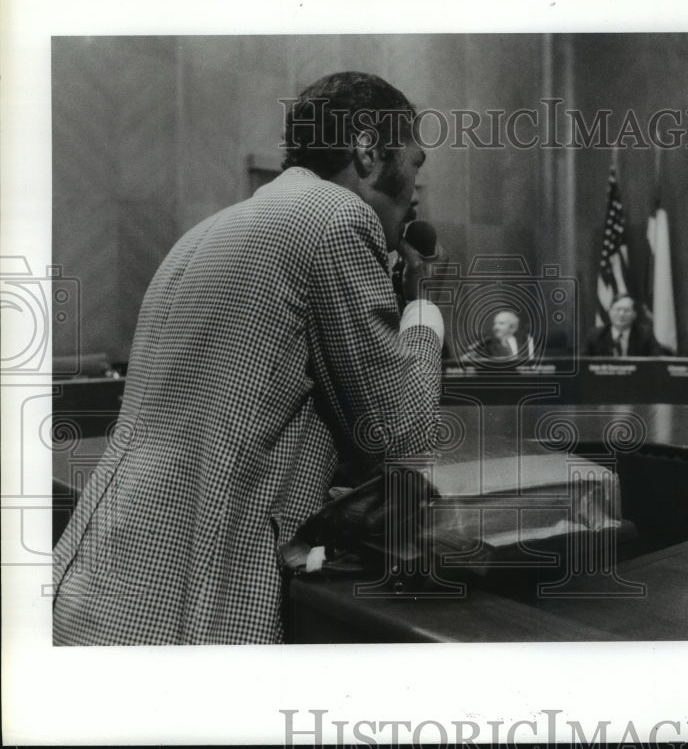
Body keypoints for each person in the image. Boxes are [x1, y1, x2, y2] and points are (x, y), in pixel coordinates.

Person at [52, 71, 444, 645]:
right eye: (414, 163)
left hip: (101, 587)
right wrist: (424, 302)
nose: (415, 190)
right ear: (367, 149)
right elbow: (402, 436)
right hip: (189, 611)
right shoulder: (336, 218)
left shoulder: (210, 229)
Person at [584, 293, 663, 357]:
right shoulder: (595, 335)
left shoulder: (645, 335)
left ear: (634, 314)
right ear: (609, 312)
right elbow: (582, 364)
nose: (621, 314)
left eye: (627, 310)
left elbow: (656, 363)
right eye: (617, 310)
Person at [462, 310, 535, 362]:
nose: (495, 327)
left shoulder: (526, 342)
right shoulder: (488, 344)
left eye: (501, 323)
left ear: (513, 327)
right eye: (495, 324)